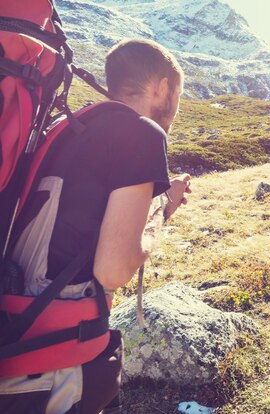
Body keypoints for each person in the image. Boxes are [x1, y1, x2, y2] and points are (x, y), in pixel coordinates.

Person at [0, 39, 191, 413]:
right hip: (50, 361)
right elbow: (113, 269)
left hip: (14, 334)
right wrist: (163, 209)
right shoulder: (142, 133)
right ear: (164, 87)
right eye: (179, 93)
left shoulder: (70, 125)